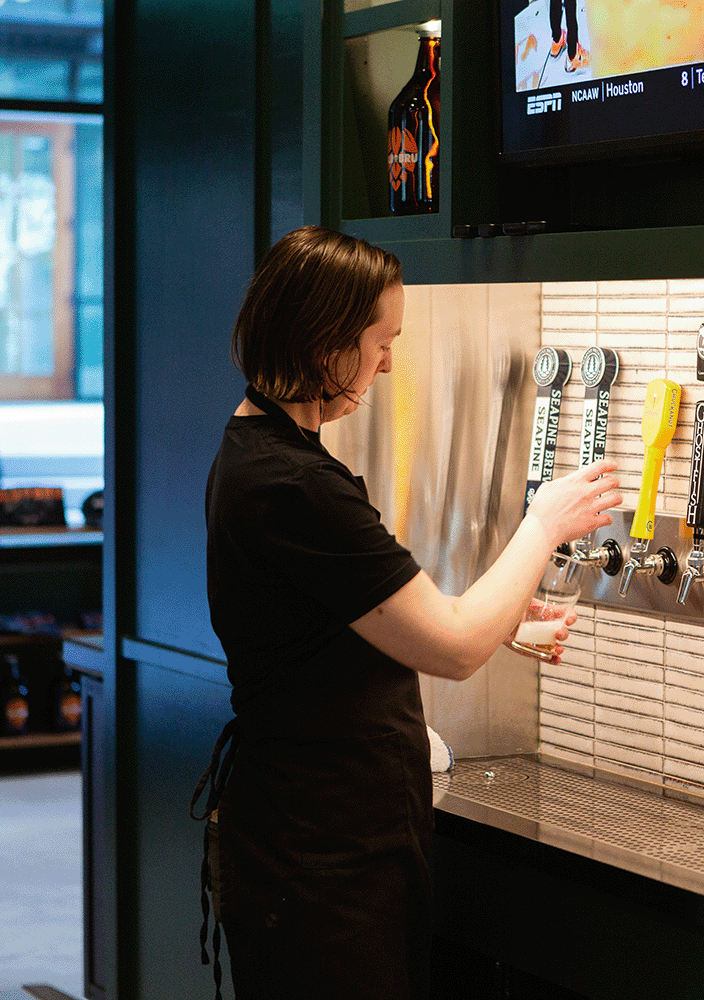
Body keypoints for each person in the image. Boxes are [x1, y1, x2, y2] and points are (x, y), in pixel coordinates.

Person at [194, 226, 622, 1000]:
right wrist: (543, 526)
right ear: (325, 343)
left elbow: (348, 621)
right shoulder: (295, 485)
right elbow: (452, 646)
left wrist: (502, 620)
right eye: (380, 342)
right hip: (320, 859)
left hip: (313, 838)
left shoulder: (259, 451)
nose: (387, 363)